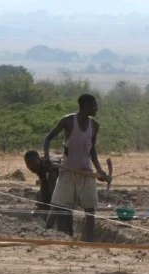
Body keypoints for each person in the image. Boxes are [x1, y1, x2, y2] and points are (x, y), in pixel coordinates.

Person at [42, 93, 111, 241]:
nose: (97, 108)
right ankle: (45, 235)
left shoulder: (94, 125)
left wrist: (99, 170)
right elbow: (48, 138)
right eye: (94, 105)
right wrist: (47, 157)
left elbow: (91, 149)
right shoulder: (67, 121)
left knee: (90, 210)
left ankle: (89, 242)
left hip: (86, 172)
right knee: (57, 205)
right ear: (85, 105)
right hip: (68, 170)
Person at [23, 150, 66, 230]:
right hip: (56, 187)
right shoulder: (40, 168)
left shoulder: (50, 169)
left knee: (50, 201)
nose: (31, 166)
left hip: (65, 187)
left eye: (33, 162)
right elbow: (44, 185)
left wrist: (43, 205)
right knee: (40, 196)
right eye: (28, 164)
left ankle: (51, 227)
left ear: (39, 159)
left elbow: (55, 195)